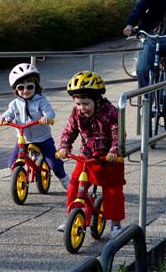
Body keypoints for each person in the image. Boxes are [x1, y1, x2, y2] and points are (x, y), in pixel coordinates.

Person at [57, 71, 125, 238]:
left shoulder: (111, 113)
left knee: (113, 191)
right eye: (78, 103)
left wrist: (114, 150)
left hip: (109, 159)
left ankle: (116, 225)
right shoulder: (77, 113)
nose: (82, 108)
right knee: (74, 185)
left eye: (85, 103)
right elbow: (69, 130)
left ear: (97, 99)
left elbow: (118, 134)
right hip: (86, 156)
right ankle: (72, 216)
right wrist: (64, 146)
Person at [0, 63, 70, 190]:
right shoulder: (14, 104)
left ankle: (65, 179)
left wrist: (47, 118)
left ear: (36, 86)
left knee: (54, 162)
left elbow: (50, 112)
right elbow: (8, 114)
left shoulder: (41, 101)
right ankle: (19, 178)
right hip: (23, 139)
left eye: (29, 86)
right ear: (16, 90)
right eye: (20, 87)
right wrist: (2, 119)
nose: (25, 90)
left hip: (43, 138)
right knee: (12, 163)